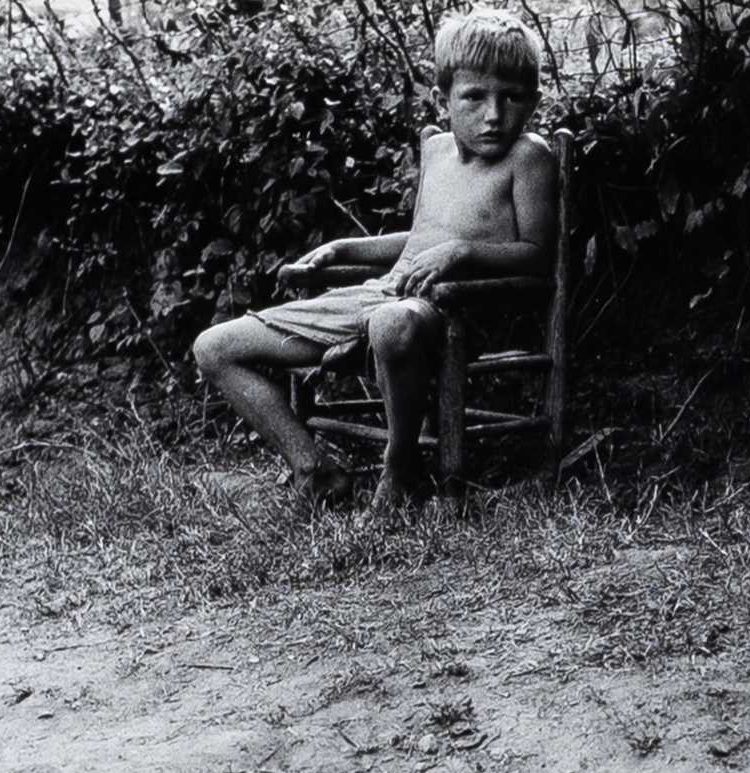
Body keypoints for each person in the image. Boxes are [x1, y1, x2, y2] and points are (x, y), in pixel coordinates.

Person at [192, 8, 557, 514]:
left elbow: (537, 259)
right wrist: (346, 249)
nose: (494, 114)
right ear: (442, 100)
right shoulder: (436, 151)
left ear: (533, 102)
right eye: (474, 97)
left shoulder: (529, 158)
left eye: (512, 97)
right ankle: (314, 470)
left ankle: (400, 467)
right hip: (384, 291)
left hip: (448, 307)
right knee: (215, 347)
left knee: (390, 323)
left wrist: (462, 253)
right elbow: (424, 238)